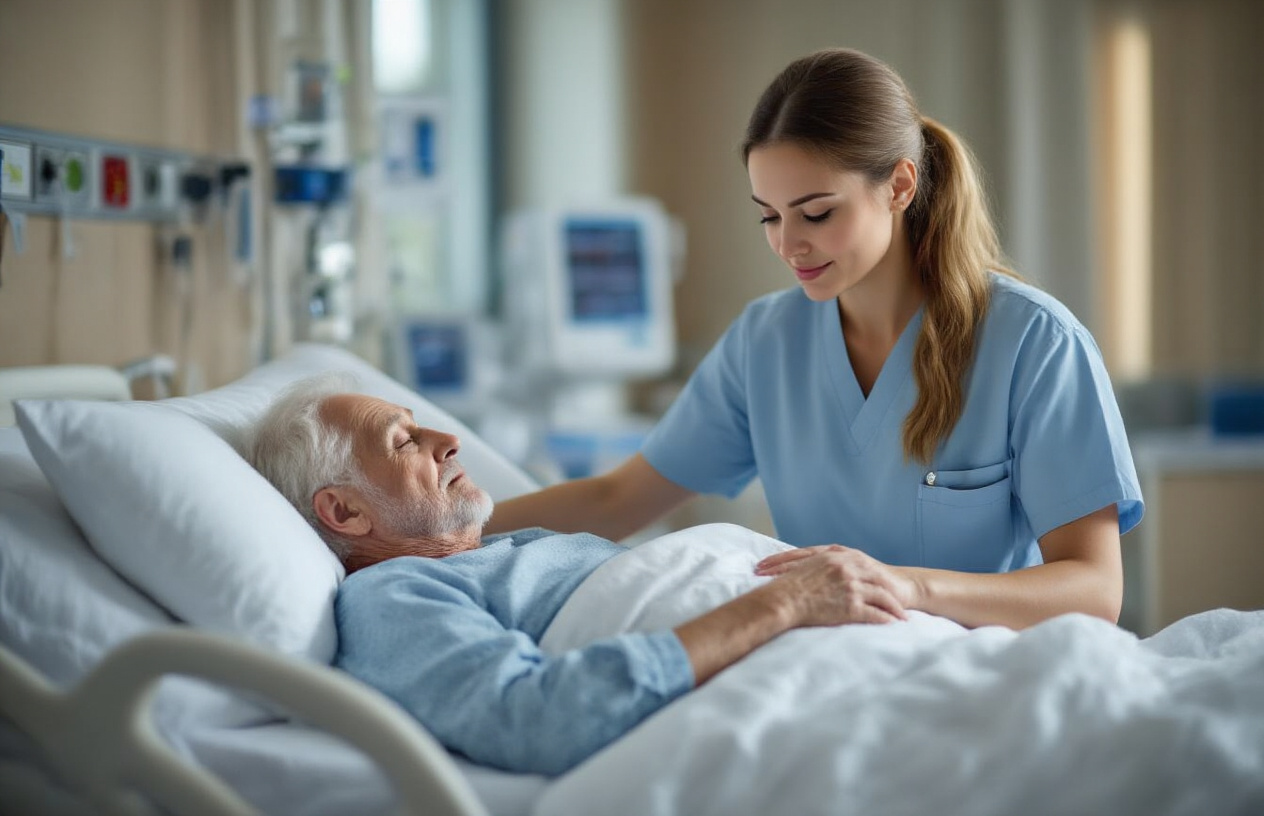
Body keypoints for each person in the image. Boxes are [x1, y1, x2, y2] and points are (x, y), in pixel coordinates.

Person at [485, 47, 1144, 631]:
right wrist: (438, 534)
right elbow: (617, 499)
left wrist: (907, 587)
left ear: (899, 186)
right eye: (768, 216)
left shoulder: (1034, 343)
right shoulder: (764, 344)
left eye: (817, 213)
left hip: (985, 680)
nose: (787, 244)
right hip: (831, 680)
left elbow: (1094, 589)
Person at [248, 377, 907, 776]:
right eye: (403, 441)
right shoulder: (393, 594)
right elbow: (536, 718)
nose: (447, 440)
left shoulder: (500, 553)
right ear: (344, 510)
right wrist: (787, 602)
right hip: (811, 670)